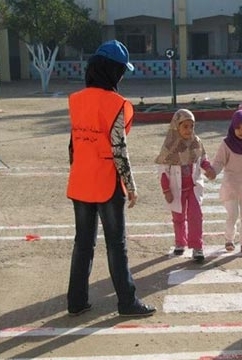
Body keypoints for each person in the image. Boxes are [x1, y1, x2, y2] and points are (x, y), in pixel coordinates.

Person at [66, 40, 156, 317]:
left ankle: (77, 301)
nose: (122, 76)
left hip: (80, 181)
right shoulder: (118, 104)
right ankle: (127, 303)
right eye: (121, 70)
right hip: (107, 184)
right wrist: (131, 186)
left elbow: (72, 146)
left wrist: (80, 169)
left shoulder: (76, 100)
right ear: (112, 71)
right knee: (116, 244)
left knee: (83, 242)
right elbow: (119, 149)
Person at [155, 109, 215, 263]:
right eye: (185, 126)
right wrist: (166, 190)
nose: (189, 130)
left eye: (191, 126)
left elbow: (202, 159)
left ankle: (197, 247)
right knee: (178, 217)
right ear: (177, 126)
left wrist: (208, 169)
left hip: (193, 187)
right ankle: (180, 242)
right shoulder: (169, 146)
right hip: (176, 189)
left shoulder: (196, 142)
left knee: (196, 216)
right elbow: (163, 171)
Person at [211, 109, 242, 255]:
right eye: (238, 127)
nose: (241, 131)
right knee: (232, 215)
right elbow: (219, 162)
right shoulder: (227, 144)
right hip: (231, 185)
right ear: (233, 127)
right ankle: (229, 239)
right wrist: (212, 171)